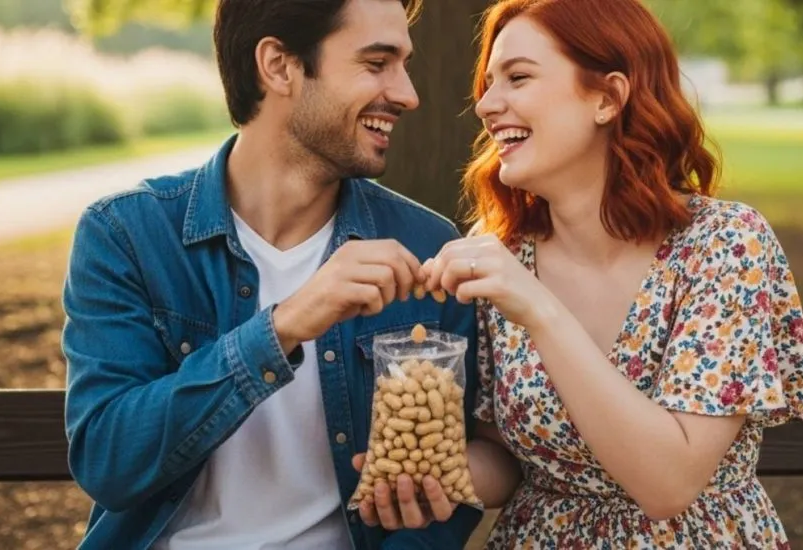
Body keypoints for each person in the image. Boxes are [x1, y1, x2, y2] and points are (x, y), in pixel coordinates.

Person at [364, 0, 803, 547]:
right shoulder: (502, 258)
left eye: (518, 77)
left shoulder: (725, 245)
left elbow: (668, 484)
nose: (487, 104)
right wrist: (435, 473)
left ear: (607, 98)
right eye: (488, 83)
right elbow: (506, 454)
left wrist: (537, 309)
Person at [60, 0, 485, 548]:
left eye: (403, 64)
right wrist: (281, 328)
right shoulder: (127, 236)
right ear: (279, 66)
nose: (408, 94)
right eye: (377, 63)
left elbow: (444, 493)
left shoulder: (428, 249)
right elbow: (107, 461)